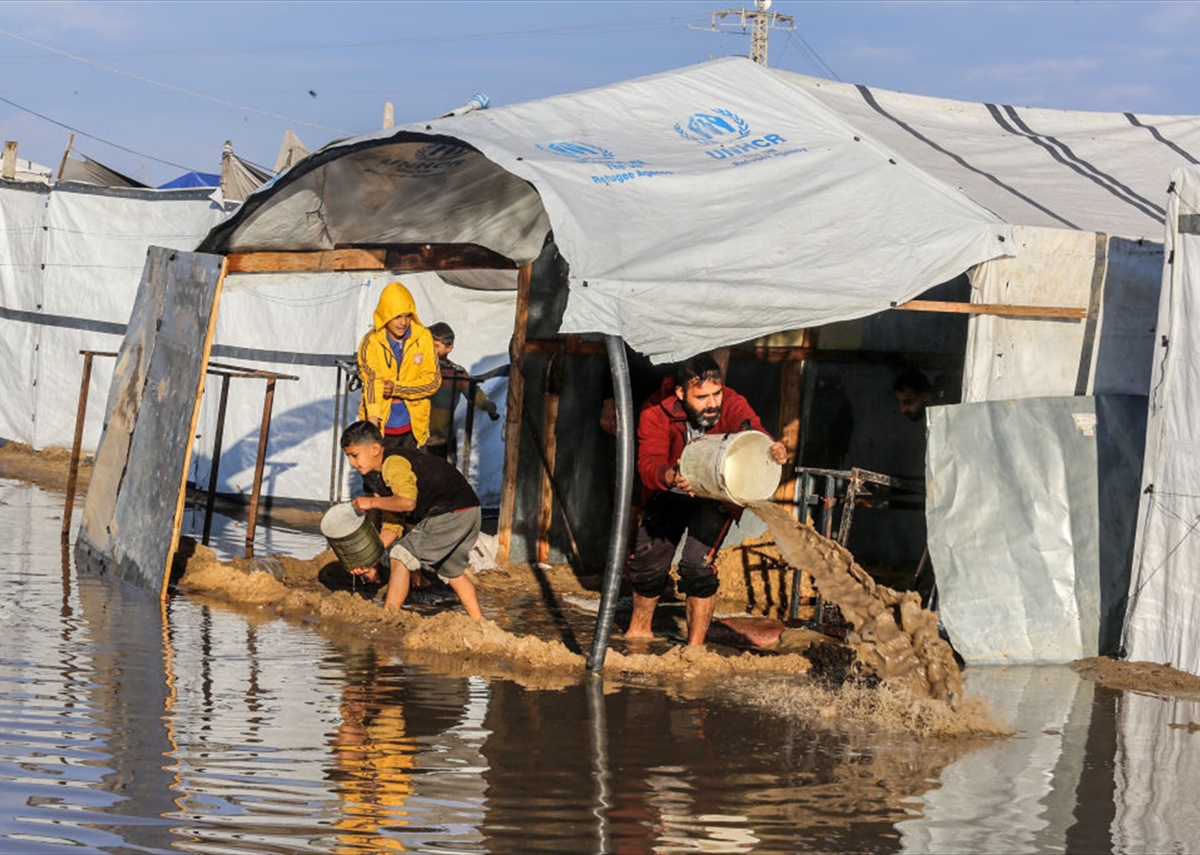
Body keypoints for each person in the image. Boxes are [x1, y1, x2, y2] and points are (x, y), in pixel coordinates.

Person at [625, 353, 788, 647]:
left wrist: (771, 448)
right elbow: (647, 465)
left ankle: (694, 649)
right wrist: (671, 476)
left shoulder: (733, 401)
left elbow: (752, 430)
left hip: (714, 494)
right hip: (670, 490)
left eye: (717, 394)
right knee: (648, 564)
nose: (713, 403)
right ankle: (638, 634)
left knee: (697, 566)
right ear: (680, 392)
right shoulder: (655, 411)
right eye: (702, 397)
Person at [339, 420, 483, 619]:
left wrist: (372, 504)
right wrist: (369, 560)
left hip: (452, 512)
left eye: (355, 455)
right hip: (468, 511)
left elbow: (407, 503)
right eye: (348, 456)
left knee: (399, 555)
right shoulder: (383, 480)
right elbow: (392, 527)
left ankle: (387, 618)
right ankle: (479, 622)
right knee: (452, 572)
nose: (352, 463)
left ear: (374, 448)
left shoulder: (394, 463)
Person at [357, 281, 441, 452]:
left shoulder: (423, 338)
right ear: (385, 315)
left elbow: (433, 382)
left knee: (413, 477)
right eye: (397, 316)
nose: (403, 322)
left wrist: (397, 388)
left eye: (408, 315)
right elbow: (372, 381)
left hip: (414, 430)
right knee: (378, 477)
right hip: (381, 428)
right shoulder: (371, 342)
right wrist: (372, 425)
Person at [425, 322, 500, 461]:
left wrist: (487, 403)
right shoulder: (417, 368)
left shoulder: (456, 373)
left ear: (449, 348)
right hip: (416, 437)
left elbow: (473, 392)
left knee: (443, 477)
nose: (430, 349)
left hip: (441, 440)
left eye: (436, 346)